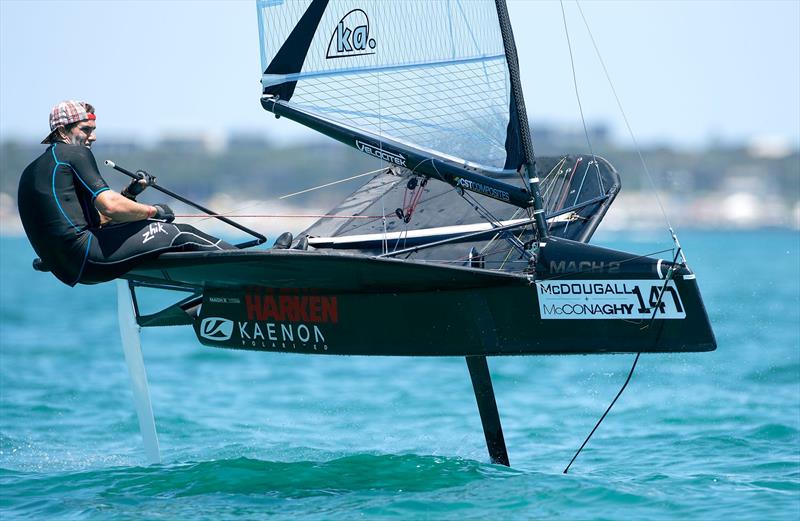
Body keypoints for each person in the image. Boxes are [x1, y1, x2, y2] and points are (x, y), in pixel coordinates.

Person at [17, 100, 293, 286]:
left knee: (158, 237)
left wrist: (130, 193)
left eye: (94, 130)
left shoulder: (33, 170)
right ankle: (264, 270)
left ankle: (233, 274)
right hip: (88, 255)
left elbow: (96, 222)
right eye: (86, 129)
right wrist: (154, 212)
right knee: (180, 233)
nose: (93, 137)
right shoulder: (73, 153)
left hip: (68, 267)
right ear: (63, 131)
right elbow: (110, 206)